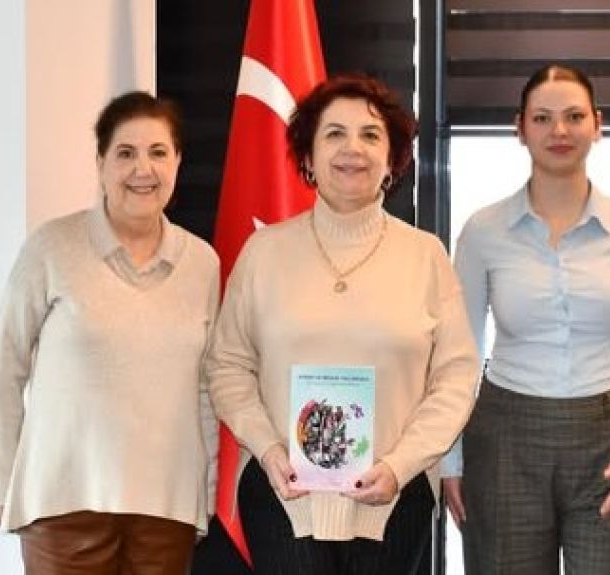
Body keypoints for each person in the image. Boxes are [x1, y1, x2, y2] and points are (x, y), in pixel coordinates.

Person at [206, 73, 480, 574]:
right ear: (308, 158)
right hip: (282, 493)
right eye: (334, 133)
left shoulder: (425, 256)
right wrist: (267, 449)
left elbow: (456, 377)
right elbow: (227, 366)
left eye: (370, 135)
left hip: (395, 497)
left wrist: (400, 465)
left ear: (392, 160)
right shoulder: (264, 252)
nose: (353, 148)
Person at [441, 64, 610, 575]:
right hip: (504, 440)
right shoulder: (483, 231)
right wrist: (450, 459)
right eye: (542, 118)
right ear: (520, 128)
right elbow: (459, 354)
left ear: (598, 125)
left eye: (574, 116)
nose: (559, 130)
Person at [0, 91, 219, 574]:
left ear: (177, 162)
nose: (142, 169)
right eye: (125, 153)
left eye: (158, 152)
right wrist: (5, 482)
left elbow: (205, 389)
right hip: (63, 506)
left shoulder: (203, 263)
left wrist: (207, 491)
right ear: (101, 164)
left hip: (166, 511)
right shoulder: (52, 247)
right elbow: (2, 369)